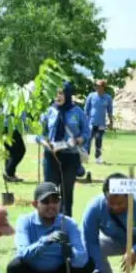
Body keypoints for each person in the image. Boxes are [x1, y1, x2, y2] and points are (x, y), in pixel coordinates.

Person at [6, 182, 93, 273]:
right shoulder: (25, 222)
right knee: (15, 267)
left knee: (89, 264)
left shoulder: (68, 223)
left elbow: (82, 258)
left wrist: (71, 253)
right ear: (35, 204)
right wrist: (45, 241)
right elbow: (23, 254)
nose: (51, 206)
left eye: (56, 201)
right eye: (46, 202)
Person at [39, 83, 91, 218]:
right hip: (51, 156)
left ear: (68, 94)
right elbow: (40, 133)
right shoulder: (49, 111)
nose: (58, 97)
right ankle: (48, 223)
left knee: (67, 193)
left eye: (61, 93)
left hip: (70, 157)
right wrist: (44, 142)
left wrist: (77, 140)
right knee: (49, 192)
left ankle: (65, 225)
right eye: (55, 93)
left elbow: (86, 133)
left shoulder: (77, 112)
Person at [83, 80, 115, 164]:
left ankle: (98, 158)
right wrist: (84, 121)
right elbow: (86, 109)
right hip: (90, 122)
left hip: (101, 124)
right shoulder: (91, 96)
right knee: (88, 140)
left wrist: (111, 122)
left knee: (98, 140)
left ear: (103, 87)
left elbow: (110, 111)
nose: (97, 88)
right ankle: (85, 157)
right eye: (96, 86)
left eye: (99, 86)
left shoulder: (108, 98)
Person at [3, 110, 30, 183]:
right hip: (12, 128)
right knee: (19, 151)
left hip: (8, 127)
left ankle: (10, 174)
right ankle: (8, 173)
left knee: (10, 152)